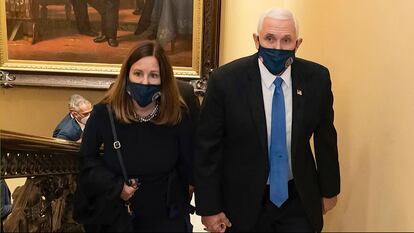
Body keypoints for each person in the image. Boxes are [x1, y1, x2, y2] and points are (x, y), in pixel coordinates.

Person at [194, 8, 340, 232]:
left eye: (286, 40)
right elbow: (207, 149)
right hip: (243, 201)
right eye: (270, 39)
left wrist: (329, 191)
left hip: (298, 198)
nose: (277, 48)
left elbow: (326, 138)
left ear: (297, 44)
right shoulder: (225, 81)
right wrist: (209, 207)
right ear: (256, 40)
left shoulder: (317, 79)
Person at [75, 41, 197, 232]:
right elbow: (87, 161)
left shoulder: (177, 114)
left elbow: (190, 164)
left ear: (164, 80)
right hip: (117, 218)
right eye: (138, 73)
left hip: (165, 219)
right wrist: (115, 187)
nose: (145, 82)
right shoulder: (104, 113)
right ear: (127, 75)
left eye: (154, 75)